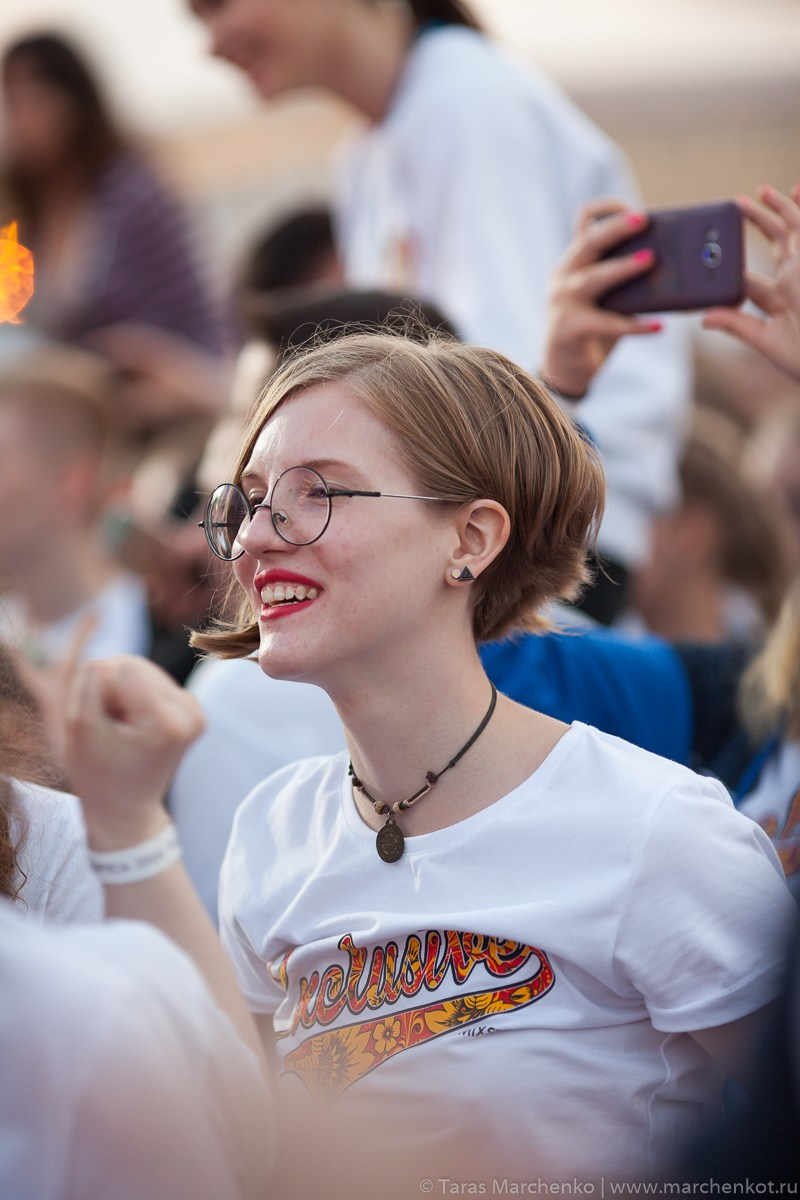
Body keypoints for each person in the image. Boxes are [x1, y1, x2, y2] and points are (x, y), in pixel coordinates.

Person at [181, 328, 794, 1189]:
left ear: (469, 539)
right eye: (247, 503)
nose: (253, 542)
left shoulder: (655, 832)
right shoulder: (270, 833)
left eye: (314, 494)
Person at [189, 0, 691, 622]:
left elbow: (498, 384)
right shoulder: (373, 149)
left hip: (555, 546)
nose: (210, 43)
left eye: (215, 7)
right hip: (498, 532)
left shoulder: (463, 100)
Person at [1, 31, 226, 357]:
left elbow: (191, 312)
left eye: (31, 100)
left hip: (167, 382)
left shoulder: (132, 192)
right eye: (11, 104)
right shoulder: (24, 214)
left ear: (72, 100)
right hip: (80, 393)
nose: (18, 121)